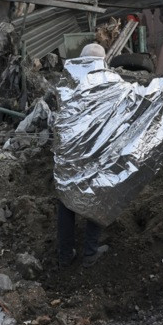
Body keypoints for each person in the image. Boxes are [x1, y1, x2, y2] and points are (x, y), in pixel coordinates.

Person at [54, 42, 111, 267]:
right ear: (103, 61)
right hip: (95, 152)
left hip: (68, 153)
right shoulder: (109, 82)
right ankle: (89, 252)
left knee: (66, 202)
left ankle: (65, 255)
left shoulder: (68, 79)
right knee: (96, 197)